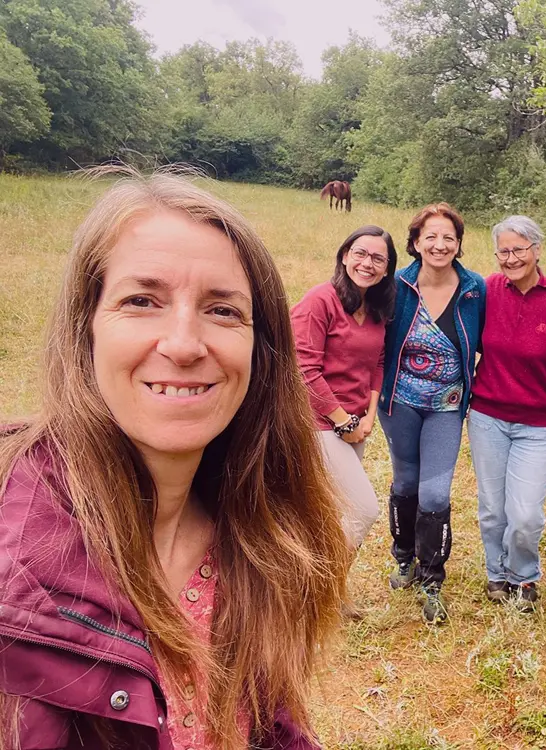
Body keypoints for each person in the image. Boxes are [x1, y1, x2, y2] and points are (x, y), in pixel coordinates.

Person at [0, 170, 350, 750]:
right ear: (83, 329)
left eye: (223, 311)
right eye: (141, 301)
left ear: (260, 352)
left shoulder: (263, 544)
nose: (185, 344)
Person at [378, 202, 486, 625]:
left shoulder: (475, 288)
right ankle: (404, 558)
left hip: (448, 404)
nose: (440, 244)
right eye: (431, 236)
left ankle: (431, 579)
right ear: (416, 242)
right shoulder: (397, 285)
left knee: (436, 494)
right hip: (400, 402)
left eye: (449, 237)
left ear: (459, 244)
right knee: (405, 481)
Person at [468, 216, 546, 610]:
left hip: (540, 422)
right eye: (504, 251)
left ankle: (523, 575)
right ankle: (498, 573)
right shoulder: (486, 290)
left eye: (519, 249)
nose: (511, 258)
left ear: (538, 250)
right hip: (488, 415)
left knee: (525, 514)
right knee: (493, 508)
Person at [291, 225, 397, 548]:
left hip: (355, 423)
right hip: (317, 424)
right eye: (360, 253)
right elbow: (303, 369)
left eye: (378, 258)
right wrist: (344, 422)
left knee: (335, 512)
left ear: (387, 269)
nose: (368, 263)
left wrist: (368, 416)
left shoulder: (378, 310)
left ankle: (328, 594)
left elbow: (378, 362)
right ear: (344, 256)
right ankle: (321, 589)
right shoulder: (320, 300)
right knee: (363, 511)